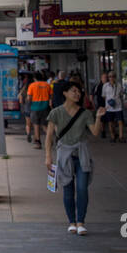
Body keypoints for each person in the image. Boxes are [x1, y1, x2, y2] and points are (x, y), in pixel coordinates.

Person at [45, 81, 106, 236]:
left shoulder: (85, 113)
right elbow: (49, 136)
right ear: (65, 93)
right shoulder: (56, 112)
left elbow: (95, 132)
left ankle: (81, 222)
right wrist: (48, 156)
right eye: (73, 91)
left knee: (82, 189)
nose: (77, 94)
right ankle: (71, 222)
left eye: (79, 91)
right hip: (64, 154)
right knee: (68, 189)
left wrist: (98, 117)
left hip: (82, 154)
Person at [27, 70, 53, 148]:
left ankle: (38, 142)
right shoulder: (47, 85)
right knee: (45, 125)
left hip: (35, 107)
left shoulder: (32, 85)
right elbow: (51, 96)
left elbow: (29, 97)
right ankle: (50, 139)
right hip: (45, 107)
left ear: (34, 78)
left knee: (36, 125)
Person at [100, 71, 125, 143]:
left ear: (115, 77)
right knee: (110, 122)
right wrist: (109, 102)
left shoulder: (119, 85)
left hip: (118, 106)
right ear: (108, 77)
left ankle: (121, 136)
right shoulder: (105, 86)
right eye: (110, 76)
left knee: (120, 122)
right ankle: (112, 136)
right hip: (109, 107)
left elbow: (121, 94)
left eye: (113, 76)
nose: (111, 78)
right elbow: (104, 96)